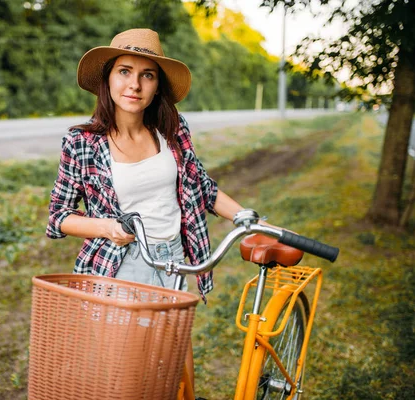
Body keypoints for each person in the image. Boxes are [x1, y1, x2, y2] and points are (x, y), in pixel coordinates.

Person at [46, 28, 270, 301]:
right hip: (120, 265)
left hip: (174, 260)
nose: (135, 85)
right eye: (124, 71)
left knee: (175, 344)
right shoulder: (81, 142)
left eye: (147, 75)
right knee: (127, 345)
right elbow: (59, 216)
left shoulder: (172, 131)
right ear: (108, 79)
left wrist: (250, 221)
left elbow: (202, 189)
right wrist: (108, 228)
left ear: (157, 86)